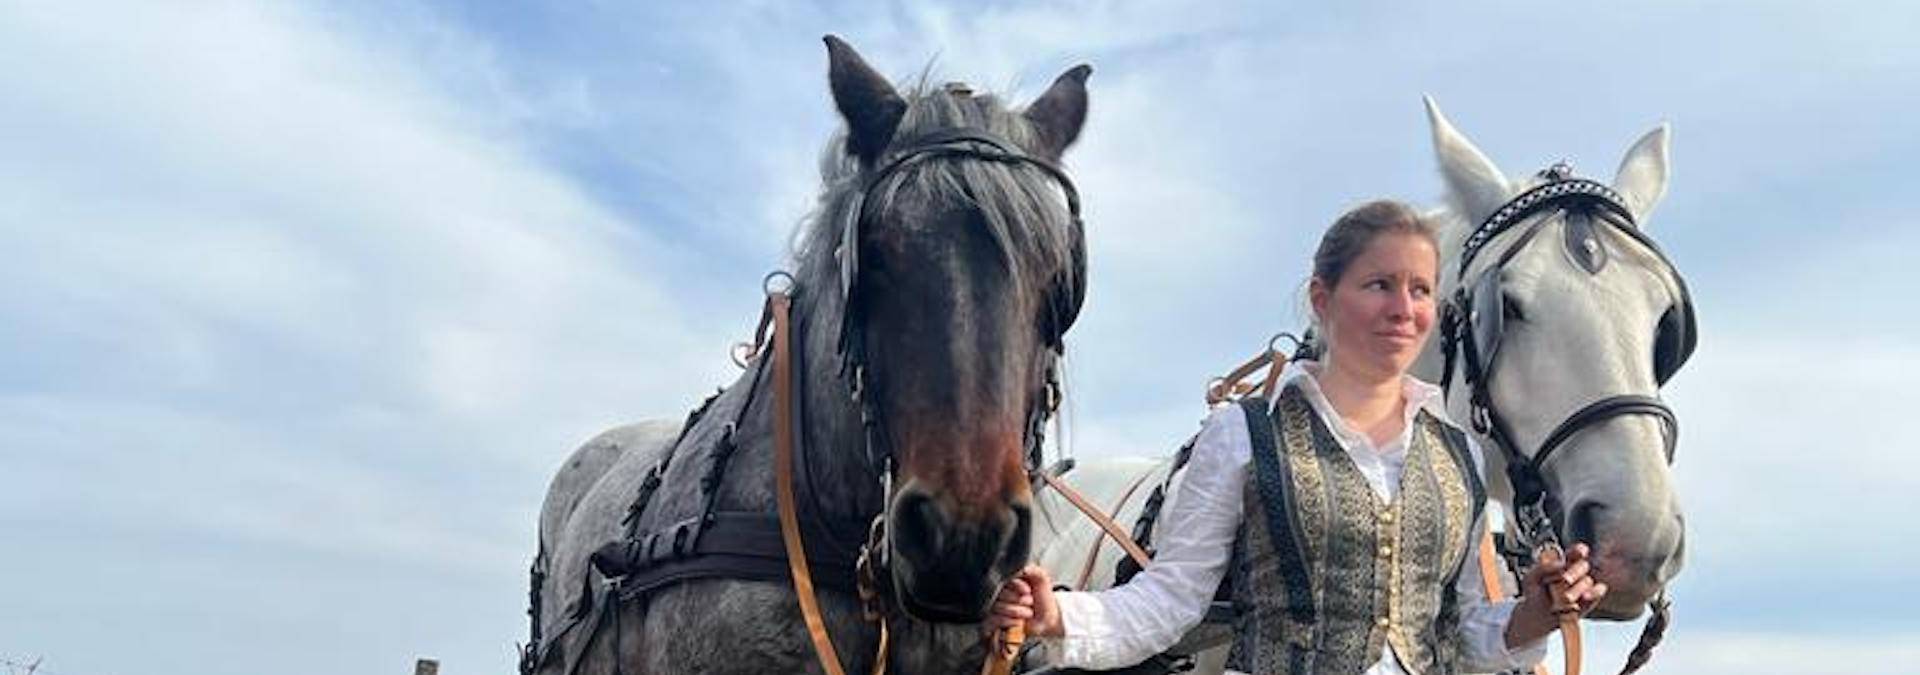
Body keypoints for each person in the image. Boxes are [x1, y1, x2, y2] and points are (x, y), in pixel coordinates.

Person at [990, 200, 1604, 674]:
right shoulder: (1243, 436)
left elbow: (1464, 633)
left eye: (1420, 289)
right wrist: (1056, 616)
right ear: (1322, 299)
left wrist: (1533, 616)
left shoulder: (1459, 454)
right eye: (1379, 285)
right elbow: (1172, 601)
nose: (1404, 308)